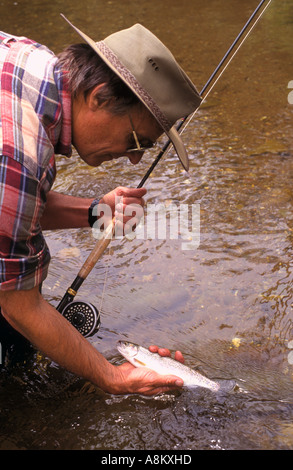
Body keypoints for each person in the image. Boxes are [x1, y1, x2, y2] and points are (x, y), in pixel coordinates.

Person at [0, 16, 201, 395]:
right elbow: (16, 302)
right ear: (99, 96)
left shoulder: (31, 62)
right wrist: (114, 377)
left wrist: (97, 212)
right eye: (136, 140)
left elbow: (13, 206)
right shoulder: (17, 150)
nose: (134, 160)